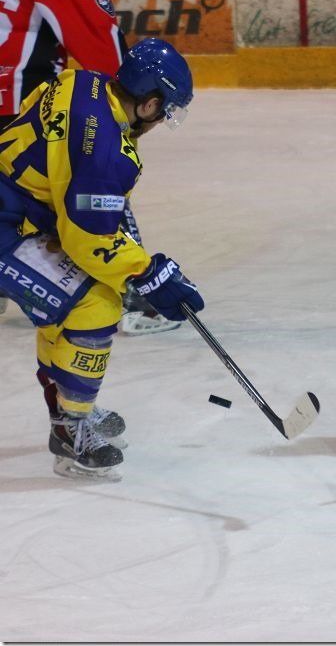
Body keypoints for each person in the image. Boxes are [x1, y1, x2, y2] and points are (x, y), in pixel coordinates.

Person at [0, 38, 204, 480]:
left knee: (63, 306)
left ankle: (70, 406)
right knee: (95, 302)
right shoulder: (106, 151)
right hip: (6, 226)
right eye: (164, 111)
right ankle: (71, 428)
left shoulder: (81, 81)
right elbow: (88, 239)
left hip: (15, 211)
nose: (160, 121)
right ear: (149, 104)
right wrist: (147, 273)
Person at [0, 0, 178, 334]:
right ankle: (134, 298)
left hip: (16, 114)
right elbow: (110, 59)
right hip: (17, 102)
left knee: (15, 192)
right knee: (98, 182)